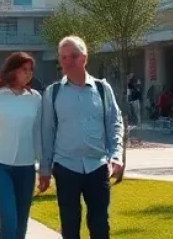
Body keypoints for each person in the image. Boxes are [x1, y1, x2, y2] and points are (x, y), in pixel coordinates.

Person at [39, 36, 123, 239]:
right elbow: (47, 131)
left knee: (100, 225)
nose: (67, 61)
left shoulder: (103, 90)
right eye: (63, 57)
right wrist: (44, 169)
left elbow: (114, 123)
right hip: (65, 166)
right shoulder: (53, 92)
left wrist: (117, 156)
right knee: (70, 226)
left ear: (85, 58)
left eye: (73, 56)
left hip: (97, 166)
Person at [0, 52, 41, 239]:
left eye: (31, 70)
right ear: (12, 70)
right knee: (9, 219)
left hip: (26, 168)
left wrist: (43, 166)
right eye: (24, 70)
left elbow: (39, 133)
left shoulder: (36, 98)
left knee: (21, 223)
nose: (28, 74)